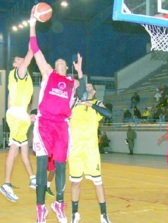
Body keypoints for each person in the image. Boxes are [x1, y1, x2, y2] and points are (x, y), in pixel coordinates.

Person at [29, 7, 86, 223]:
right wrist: (33, 24)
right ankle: (40, 207)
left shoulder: (73, 82)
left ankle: (59, 203)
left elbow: (83, 94)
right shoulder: (47, 73)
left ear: (67, 68)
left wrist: (80, 71)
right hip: (44, 125)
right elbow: (35, 48)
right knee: (42, 167)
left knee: (62, 166)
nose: (60, 61)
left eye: (63, 62)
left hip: (62, 126)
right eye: (58, 61)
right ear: (54, 66)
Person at [68, 83, 112, 223]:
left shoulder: (97, 104)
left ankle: (104, 215)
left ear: (94, 91)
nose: (86, 87)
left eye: (89, 86)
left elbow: (109, 114)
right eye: (84, 86)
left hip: (91, 150)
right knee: (75, 183)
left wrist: (90, 105)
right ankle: (75, 214)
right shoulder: (74, 103)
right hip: (75, 150)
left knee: (98, 182)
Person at [0, 48, 36, 202]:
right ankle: (6, 184)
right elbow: (30, 54)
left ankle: (32, 178)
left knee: (24, 149)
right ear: (15, 64)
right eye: (19, 59)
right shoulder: (19, 72)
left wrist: (27, 116)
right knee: (14, 150)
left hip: (20, 114)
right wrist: (33, 27)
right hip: (16, 114)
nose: (23, 60)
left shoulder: (25, 76)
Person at [30, 109, 55, 197]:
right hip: (41, 147)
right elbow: (34, 134)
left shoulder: (51, 113)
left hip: (51, 148)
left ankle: (47, 187)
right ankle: (40, 187)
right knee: (42, 169)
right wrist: (34, 147)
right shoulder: (36, 112)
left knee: (53, 169)